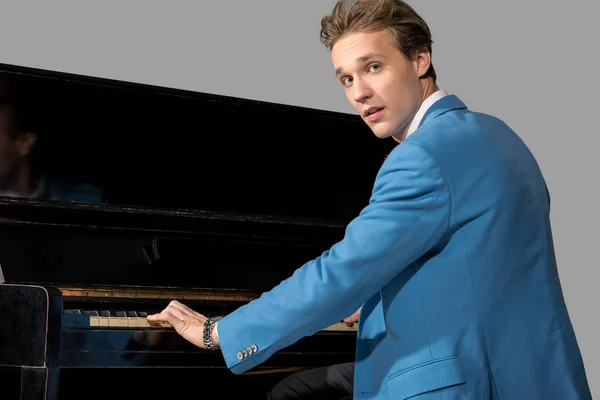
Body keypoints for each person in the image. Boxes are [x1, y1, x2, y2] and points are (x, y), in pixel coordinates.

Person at [148, 0, 592, 398]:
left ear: (420, 60)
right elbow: (482, 262)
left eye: (373, 67)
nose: (358, 92)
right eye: (346, 78)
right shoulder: (498, 135)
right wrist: (387, 296)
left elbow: (341, 272)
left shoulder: (423, 156)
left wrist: (220, 331)